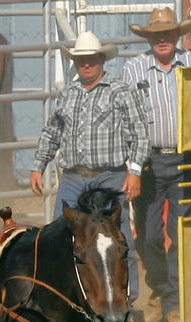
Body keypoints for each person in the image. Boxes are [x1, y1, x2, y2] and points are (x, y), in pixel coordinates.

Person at [30, 31, 150, 308]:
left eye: (91, 59)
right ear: (76, 62)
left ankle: (126, 299)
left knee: (118, 241)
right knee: (61, 238)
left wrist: (134, 171)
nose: (86, 64)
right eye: (81, 59)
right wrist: (39, 166)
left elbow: (140, 134)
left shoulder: (120, 91)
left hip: (110, 175)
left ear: (101, 59)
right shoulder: (68, 94)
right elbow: (52, 133)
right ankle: (64, 297)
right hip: (73, 176)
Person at [122, 8, 191, 322]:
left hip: (186, 160)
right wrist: (133, 167)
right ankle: (162, 290)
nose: (163, 39)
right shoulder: (133, 69)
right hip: (148, 162)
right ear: (149, 38)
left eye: (168, 33)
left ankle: (173, 299)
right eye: (157, 34)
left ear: (178, 36)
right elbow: (126, 121)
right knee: (149, 236)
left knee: (181, 233)